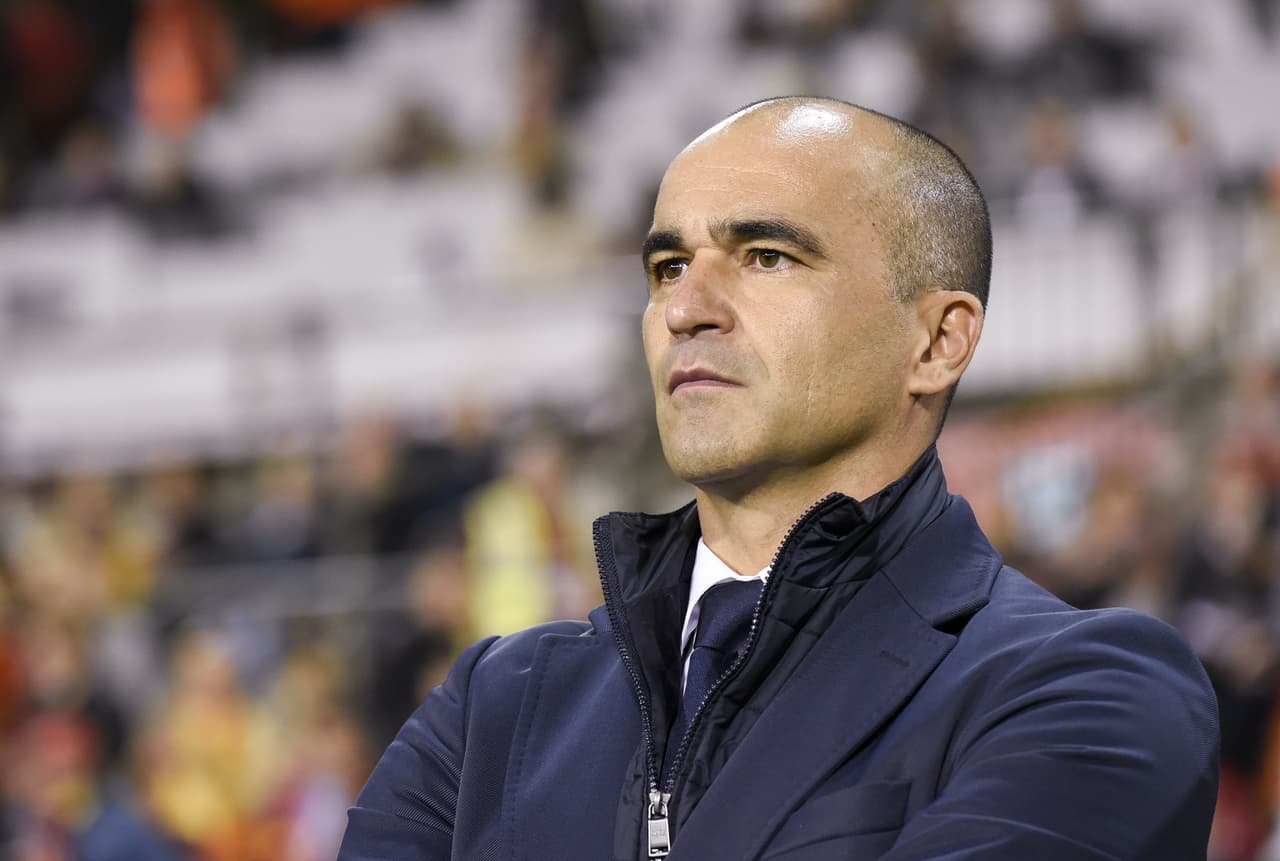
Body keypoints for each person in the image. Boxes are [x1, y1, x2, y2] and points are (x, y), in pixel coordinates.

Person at [337, 97, 1218, 860]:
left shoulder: (1091, 691)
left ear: (938, 340)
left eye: (765, 256)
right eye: (667, 267)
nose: (685, 308)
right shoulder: (494, 704)